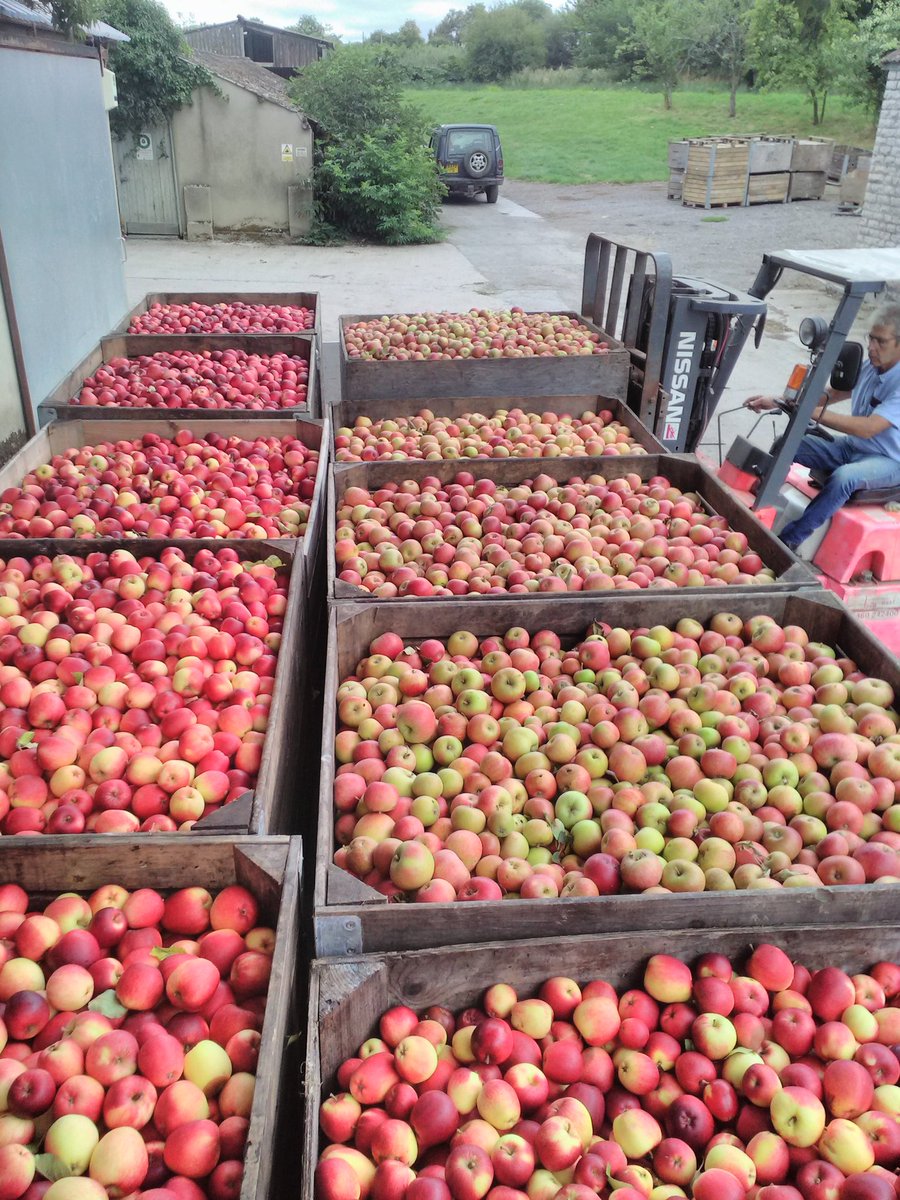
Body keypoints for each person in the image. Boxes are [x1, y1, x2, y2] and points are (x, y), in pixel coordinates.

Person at [744, 305, 900, 551]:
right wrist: (779, 400)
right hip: (853, 447)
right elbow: (832, 393)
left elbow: (869, 428)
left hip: (889, 459)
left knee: (844, 478)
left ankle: (787, 542)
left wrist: (811, 412)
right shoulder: (871, 366)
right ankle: (758, 507)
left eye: (880, 341)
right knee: (788, 443)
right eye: (870, 338)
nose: (871, 347)